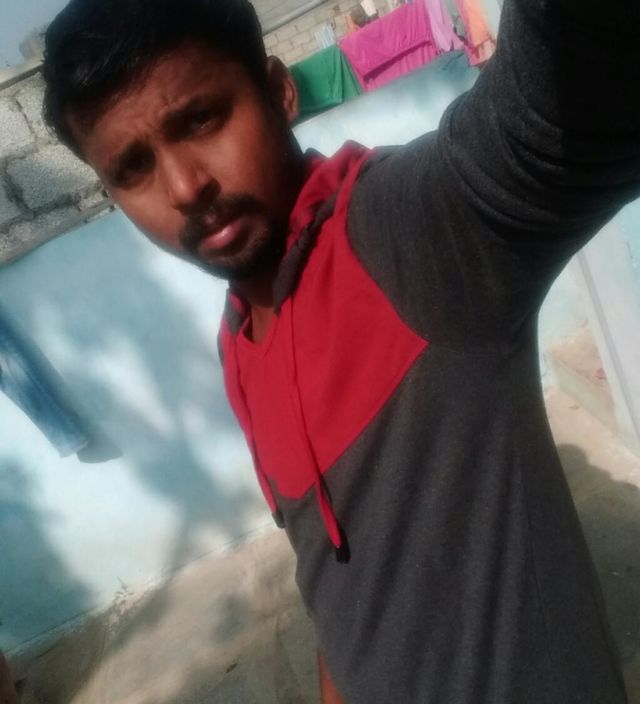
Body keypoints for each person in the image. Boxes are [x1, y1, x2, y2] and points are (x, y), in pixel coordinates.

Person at [41, 0, 638, 701]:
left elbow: (568, 95)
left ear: (278, 91)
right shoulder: (239, 341)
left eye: (200, 120)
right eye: (133, 168)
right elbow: (333, 574)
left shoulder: (410, 235)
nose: (184, 187)